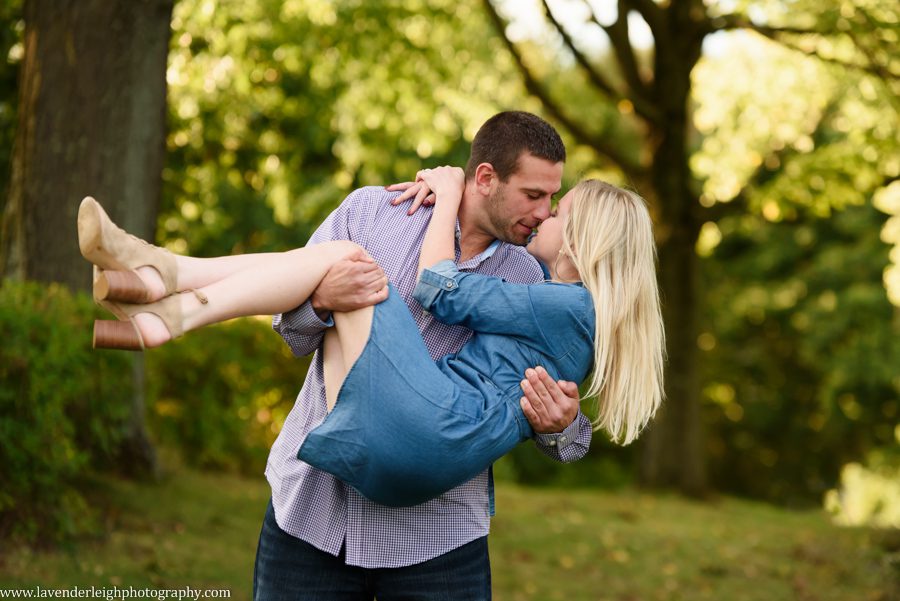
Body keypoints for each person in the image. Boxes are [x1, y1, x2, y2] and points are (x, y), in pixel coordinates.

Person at [79, 111, 663, 599]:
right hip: (313, 516)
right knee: (339, 260)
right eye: (535, 196)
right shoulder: (376, 211)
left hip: (437, 541)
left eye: (553, 201)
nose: (543, 212)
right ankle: (160, 282)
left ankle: (165, 280)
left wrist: (564, 428)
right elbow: (290, 329)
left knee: (344, 259)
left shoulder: (531, 276)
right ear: (485, 177)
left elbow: (557, 403)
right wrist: (321, 305)